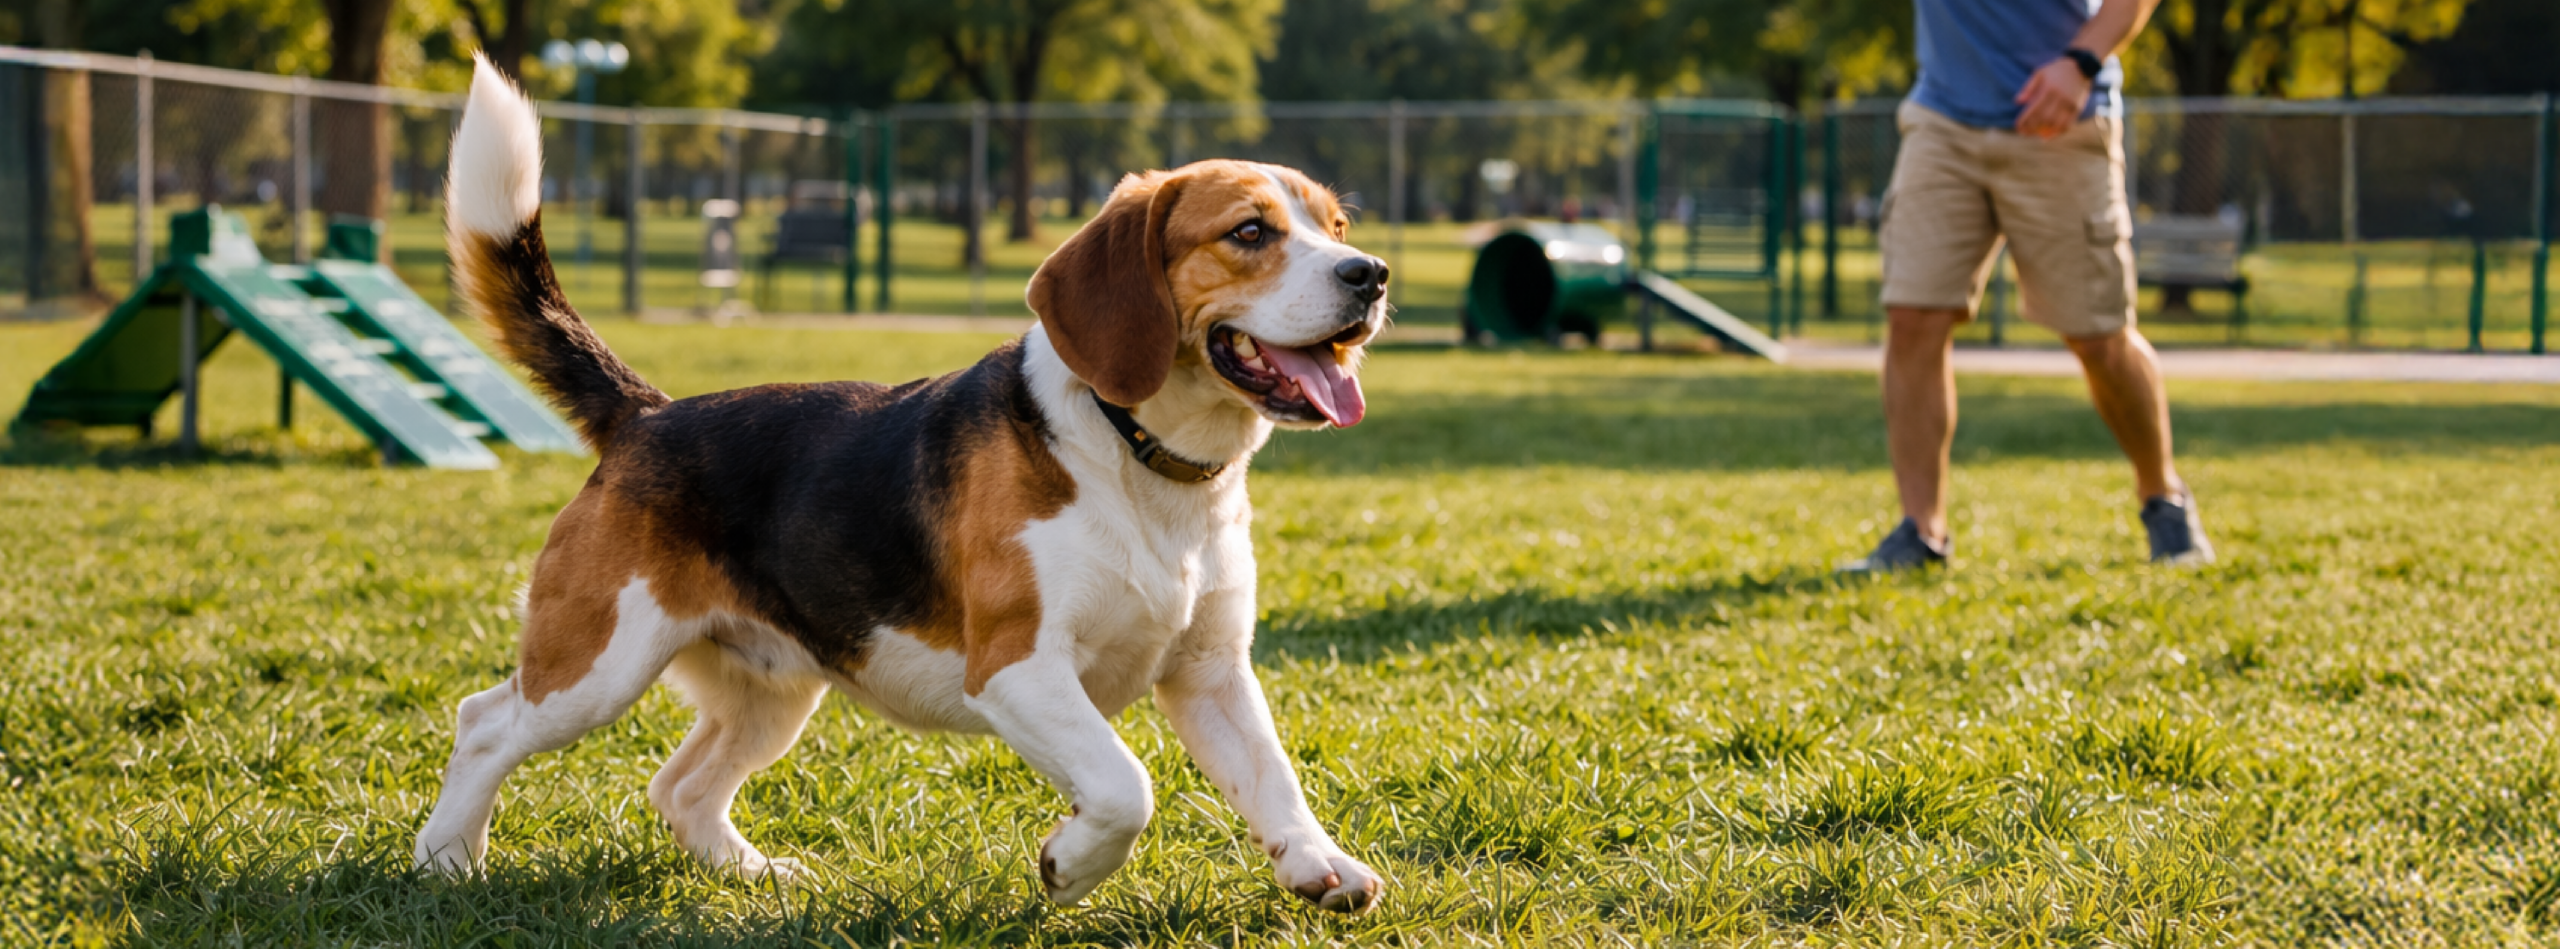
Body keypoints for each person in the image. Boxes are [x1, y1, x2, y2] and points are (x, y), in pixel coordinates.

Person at [1841, 0, 2213, 572]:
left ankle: (2163, 498)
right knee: (1913, 316)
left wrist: (2080, 62)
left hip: (2061, 116)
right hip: (1941, 119)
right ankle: (1921, 532)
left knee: (2099, 338)